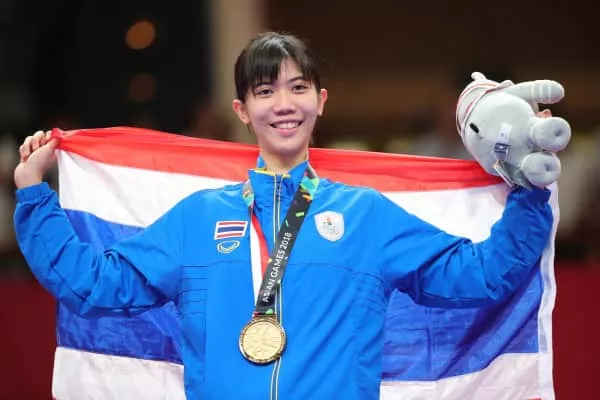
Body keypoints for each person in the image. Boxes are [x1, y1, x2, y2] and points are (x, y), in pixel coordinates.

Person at [13, 32, 553, 400]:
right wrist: (34, 195)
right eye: (265, 91)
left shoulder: (365, 216)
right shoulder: (198, 219)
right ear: (243, 111)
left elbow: (478, 275)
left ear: (321, 100)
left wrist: (528, 192)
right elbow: (96, 285)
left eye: (298, 88)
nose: (284, 104)